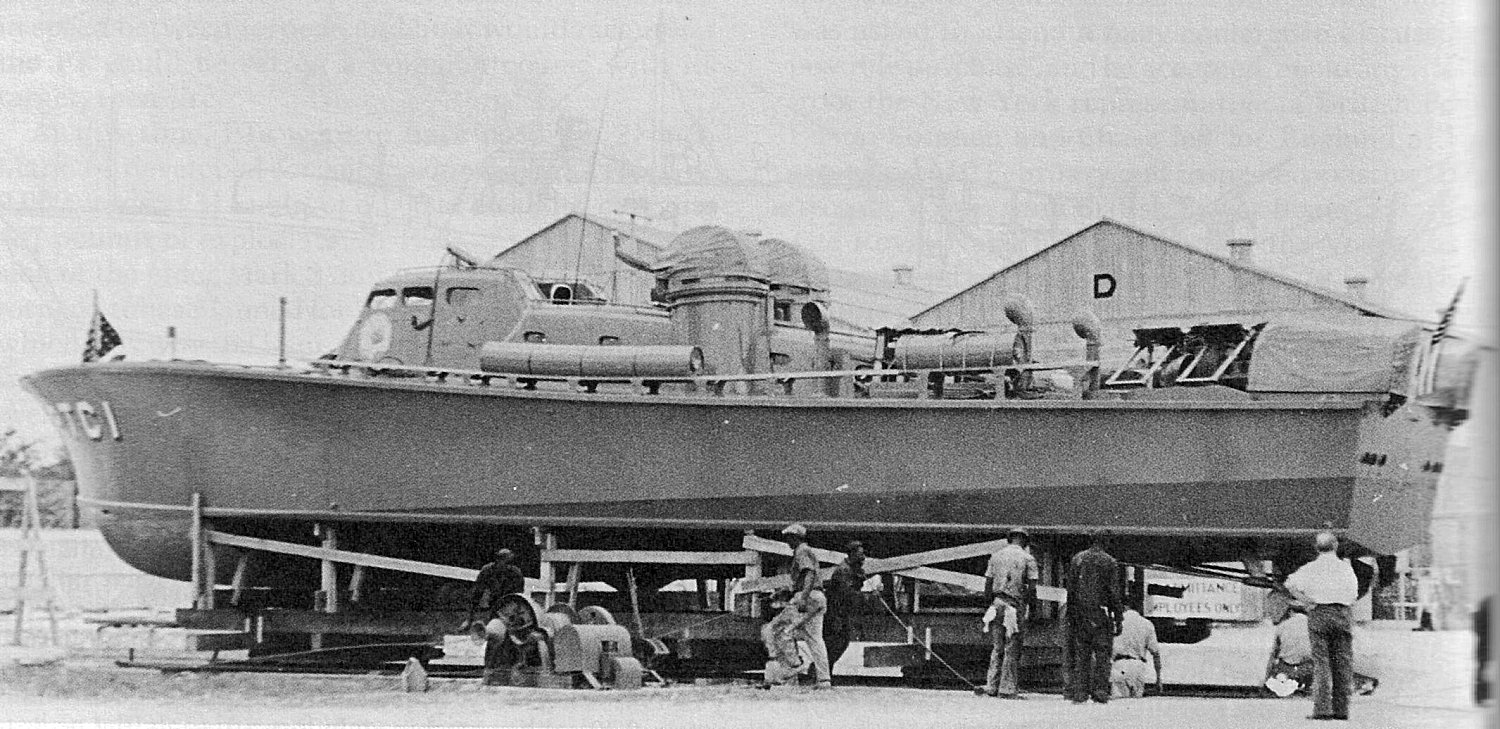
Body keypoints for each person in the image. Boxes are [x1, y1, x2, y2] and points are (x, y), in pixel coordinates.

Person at [1283, 531, 1357, 721]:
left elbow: (1289, 584)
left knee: (1321, 662)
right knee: (1342, 662)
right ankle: (1341, 710)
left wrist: (1306, 601)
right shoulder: (1346, 568)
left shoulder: (1310, 568)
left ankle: (1322, 710)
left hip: (1319, 612)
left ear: (1316, 548)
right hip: (1342, 613)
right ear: (1336, 546)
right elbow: (1354, 594)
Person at [979, 528, 1038, 699]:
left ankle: (992, 685)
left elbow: (988, 583)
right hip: (1014, 605)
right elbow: (1032, 588)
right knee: (1012, 647)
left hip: (997, 603)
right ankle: (1008, 688)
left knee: (997, 647)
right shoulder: (1028, 558)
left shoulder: (996, 556)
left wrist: (988, 605)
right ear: (1024, 540)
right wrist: (1032, 608)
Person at [1066, 532, 1122, 705]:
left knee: (1082, 654)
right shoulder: (1109, 561)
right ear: (1105, 542)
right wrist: (1118, 617)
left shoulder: (1078, 558)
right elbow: (1113, 592)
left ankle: (1080, 693)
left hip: (1081, 613)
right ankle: (1100, 692)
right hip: (1101, 613)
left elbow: (1071, 589)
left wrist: (1071, 614)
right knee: (1102, 654)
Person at [782, 523, 832, 689]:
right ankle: (824, 680)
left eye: (789, 538)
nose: (787, 541)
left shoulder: (801, 551)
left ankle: (792, 674)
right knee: (815, 639)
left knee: (783, 632)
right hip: (817, 596)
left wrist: (803, 597)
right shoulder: (807, 550)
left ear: (795, 538)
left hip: (808, 597)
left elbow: (809, 573)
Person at [461, 548, 526, 674]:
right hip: (495, 606)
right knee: (493, 636)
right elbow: (476, 595)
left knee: (512, 638)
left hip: (512, 606)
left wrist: (513, 614)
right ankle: (490, 667)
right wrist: (469, 619)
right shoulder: (487, 571)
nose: (508, 566)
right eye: (506, 562)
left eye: (510, 563)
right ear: (498, 560)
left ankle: (514, 664)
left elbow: (519, 596)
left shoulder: (515, 573)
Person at [824, 541, 867, 670]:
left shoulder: (852, 569)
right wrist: (865, 596)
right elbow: (848, 594)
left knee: (840, 644)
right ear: (852, 554)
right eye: (860, 554)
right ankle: (821, 670)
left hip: (842, 613)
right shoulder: (843, 570)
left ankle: (824, 671)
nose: (863, 557)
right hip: (835, 613)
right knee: (835, 644)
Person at [1111, 595, 1162, 698]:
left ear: (1124, 606)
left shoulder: (1115, 622)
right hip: (1138, 666)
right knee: (1136, 703)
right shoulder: (1147, 624)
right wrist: (1158, 679)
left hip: (1118, 665)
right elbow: (1156, 653)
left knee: (1119, 703)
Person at [1265, 603, 1314, 697]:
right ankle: (1306, 686)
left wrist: (1266, 677)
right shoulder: (1313, 624)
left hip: (1287, 668)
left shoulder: (1282, 625)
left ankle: (1286, 682)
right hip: (1307, 667)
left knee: (1279, 673)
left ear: (1291, 611)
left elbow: (1274, 652)